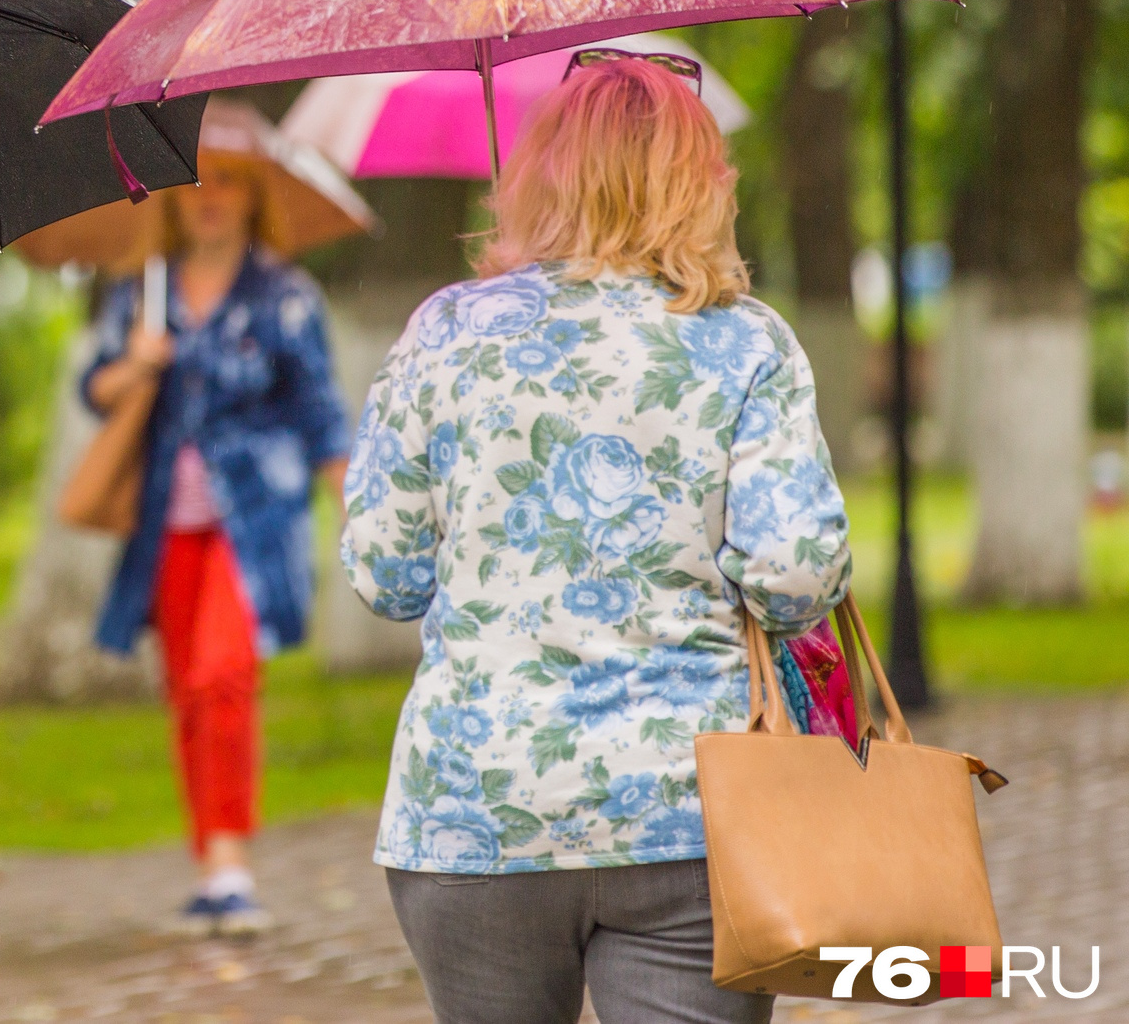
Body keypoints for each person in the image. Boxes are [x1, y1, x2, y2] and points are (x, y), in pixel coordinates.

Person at [340, 51, 851, 1024]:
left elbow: (384, 574)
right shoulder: (744, 340)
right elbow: (792, 575)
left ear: (541, 172)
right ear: (698, 183)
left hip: (475, 806)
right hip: (690, 813)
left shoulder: (444, 332)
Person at [82, 136, 352, 936]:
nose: (209, 195)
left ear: (251, 197)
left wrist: (360, 512)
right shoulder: (143, 292)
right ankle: (212, 864)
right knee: (187, 691)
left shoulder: (286, 296)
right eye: (194, 181)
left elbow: (323, 415)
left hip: (256, 522)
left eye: (227, 181)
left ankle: (231, 859)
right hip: (166, 521)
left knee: (224, 674)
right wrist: (137, 363)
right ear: (169, 197)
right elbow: (94, 389)